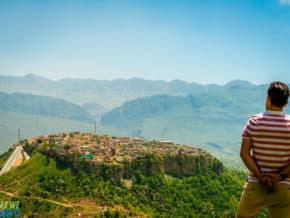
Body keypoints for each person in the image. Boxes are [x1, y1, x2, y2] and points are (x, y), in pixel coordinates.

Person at [237, 81, 290, 218]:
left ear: (268, 98)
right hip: (285, 187)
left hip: (256, 186)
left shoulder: (254, 122)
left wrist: (261, 176)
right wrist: (279, 176)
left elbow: (244, 153)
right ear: (286, 103)